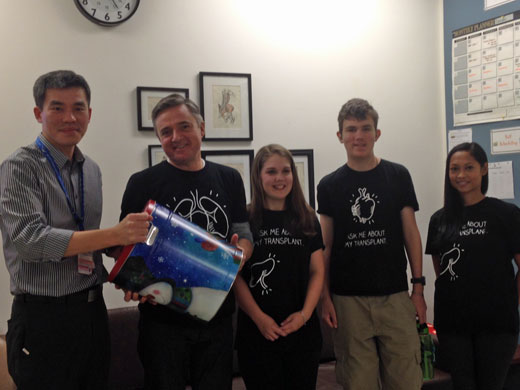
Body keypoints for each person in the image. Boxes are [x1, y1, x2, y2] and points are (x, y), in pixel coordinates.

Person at [0, 70, 152, 390]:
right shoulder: (20, 167)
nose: (70, 117)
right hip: (43, 319)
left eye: (78, 108)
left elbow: (87, 240)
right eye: (57, 108)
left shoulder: (91, 170)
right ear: (38, 113)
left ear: (90, 114)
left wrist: (131, 272)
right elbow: (31, 240)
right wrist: (116, 235)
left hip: (92, 314)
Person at [119, 93, 254, 390]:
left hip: (217, 321)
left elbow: (244, 235)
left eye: (184, 127)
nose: (176, 137)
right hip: (161, 325)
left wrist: (238, 257)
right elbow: (123, 247)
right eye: (166, 132)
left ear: (202, 129)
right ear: (159, 138)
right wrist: (134, 281)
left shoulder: (230, 178)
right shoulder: (142, 183)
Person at [317, 98, 425, 389]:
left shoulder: (398, 175)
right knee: (358, 383)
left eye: (366, 128)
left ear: (377, 133)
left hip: (395, 297)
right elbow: (325, 246)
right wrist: (325, 296)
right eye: (351, 129)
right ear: (340, 136)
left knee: (406, 381)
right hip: (348, 302)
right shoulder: (329, 185)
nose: (359, 136)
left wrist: (418, 289)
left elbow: (411, 234)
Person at [425, 142, 520, 390]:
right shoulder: (439, 220)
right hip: (453, 326)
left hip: (497, 326)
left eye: (469, 167)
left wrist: (510, 301)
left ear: (484, 169)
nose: (461, 175)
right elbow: (442, 270)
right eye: (454, 169)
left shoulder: (506, 214)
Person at [234, 144, 325, 390]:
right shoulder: (245, 219)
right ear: (258, 176)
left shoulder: (307, 217)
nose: (280, 178)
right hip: (257, 333)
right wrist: (259, 318)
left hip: (302, 332)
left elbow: (317, 272)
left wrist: (305, 315)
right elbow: (235, 275)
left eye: (286, 171)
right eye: (271, 171)